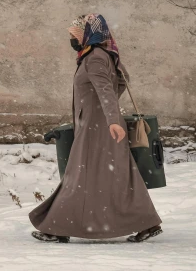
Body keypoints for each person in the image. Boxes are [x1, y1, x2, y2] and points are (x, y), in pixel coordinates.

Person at [29, 14, 162, 243]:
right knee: (119, 175)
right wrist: (105, 112)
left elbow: (106, 90)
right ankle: (147, 223)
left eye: (74, 35)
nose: (71, 39)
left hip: (98, 128)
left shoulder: (95, 58)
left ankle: (57, 228)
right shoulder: (101, 54)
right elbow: (122, 79)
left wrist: (109, 117)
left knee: (78, 176)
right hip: (99, 125)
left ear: (88, 35)